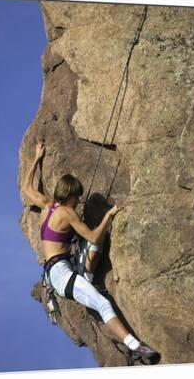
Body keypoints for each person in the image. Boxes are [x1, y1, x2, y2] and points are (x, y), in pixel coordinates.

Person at [22, 141, 160, 364]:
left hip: (61, 270)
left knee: (94, 247)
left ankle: (86, 278)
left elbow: (27, 188)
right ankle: (136, 347)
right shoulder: (67, 213)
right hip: (61, 275)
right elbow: (93, 235)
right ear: (70, 196)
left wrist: (37, 159)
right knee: (103, 303)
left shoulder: (47, 205)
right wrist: (109, 214)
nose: (78, 202)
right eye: (77, 198)